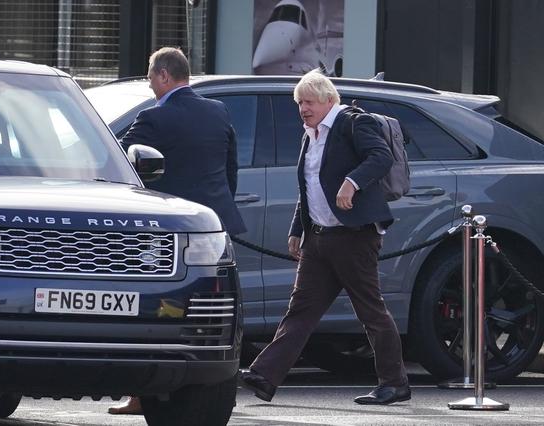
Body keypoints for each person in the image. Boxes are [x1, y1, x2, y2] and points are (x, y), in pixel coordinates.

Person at [238, 69, 410, 405]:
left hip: (353, 236)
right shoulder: (310, 135)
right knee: (301, 309)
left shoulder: (352, 122)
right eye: (299, 102)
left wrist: (353, 181)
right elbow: (309, 188)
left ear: (328, 99)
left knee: (370, 310)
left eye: (309, 101)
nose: (303, 107)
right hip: (318, 238)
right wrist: (296, 230)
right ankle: (265, 376)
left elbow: (381, 157)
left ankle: (395, 383)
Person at [108, 47, 246, 416]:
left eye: (151, 76)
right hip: (215, 228)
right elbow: (230, 167)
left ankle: (142, 394)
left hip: (170, 233)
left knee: (157, 310)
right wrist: (219, 212)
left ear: (165, 77)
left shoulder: (154, 117)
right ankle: (209, 392)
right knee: (215, 314)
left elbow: (120, 164)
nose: (150, 83)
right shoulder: (218, 111)